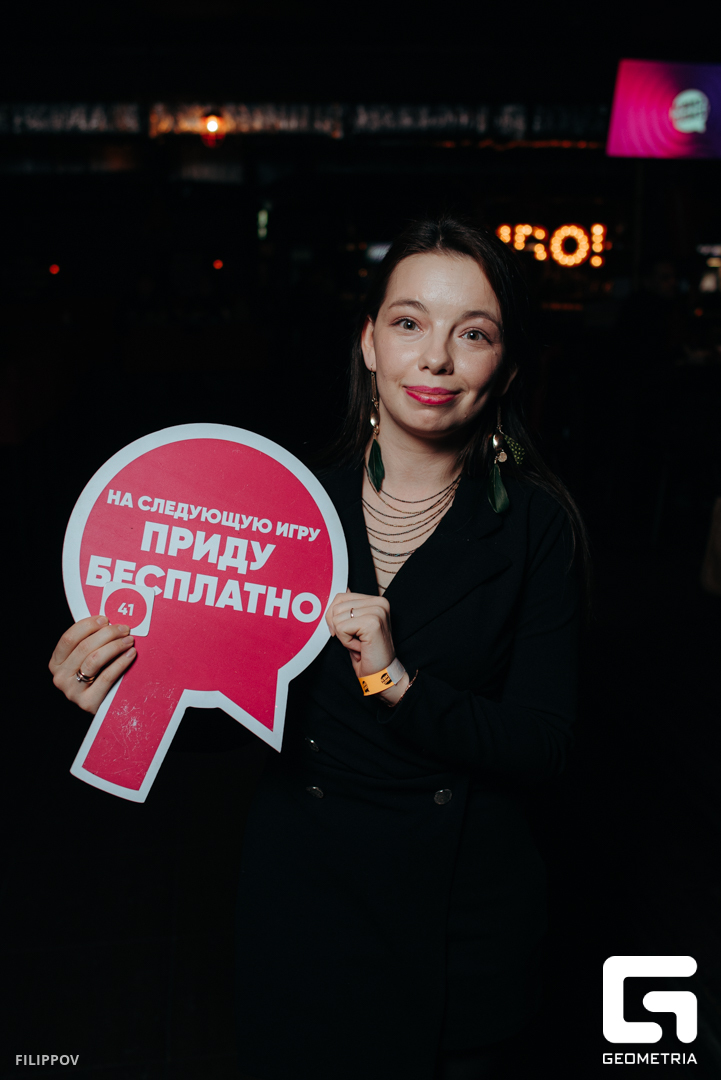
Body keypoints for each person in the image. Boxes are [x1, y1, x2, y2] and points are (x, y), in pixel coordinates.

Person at [49, 214, 586, 1080]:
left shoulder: (535, 525)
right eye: (408, 322)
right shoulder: (283, 510)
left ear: (508, 366)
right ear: (368, 342)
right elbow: (240, 713)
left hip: (461, 922)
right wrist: (123, 687)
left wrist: (396, 683)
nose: (435, 357)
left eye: (472, 333)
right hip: (309, 898)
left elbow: (544, 744)